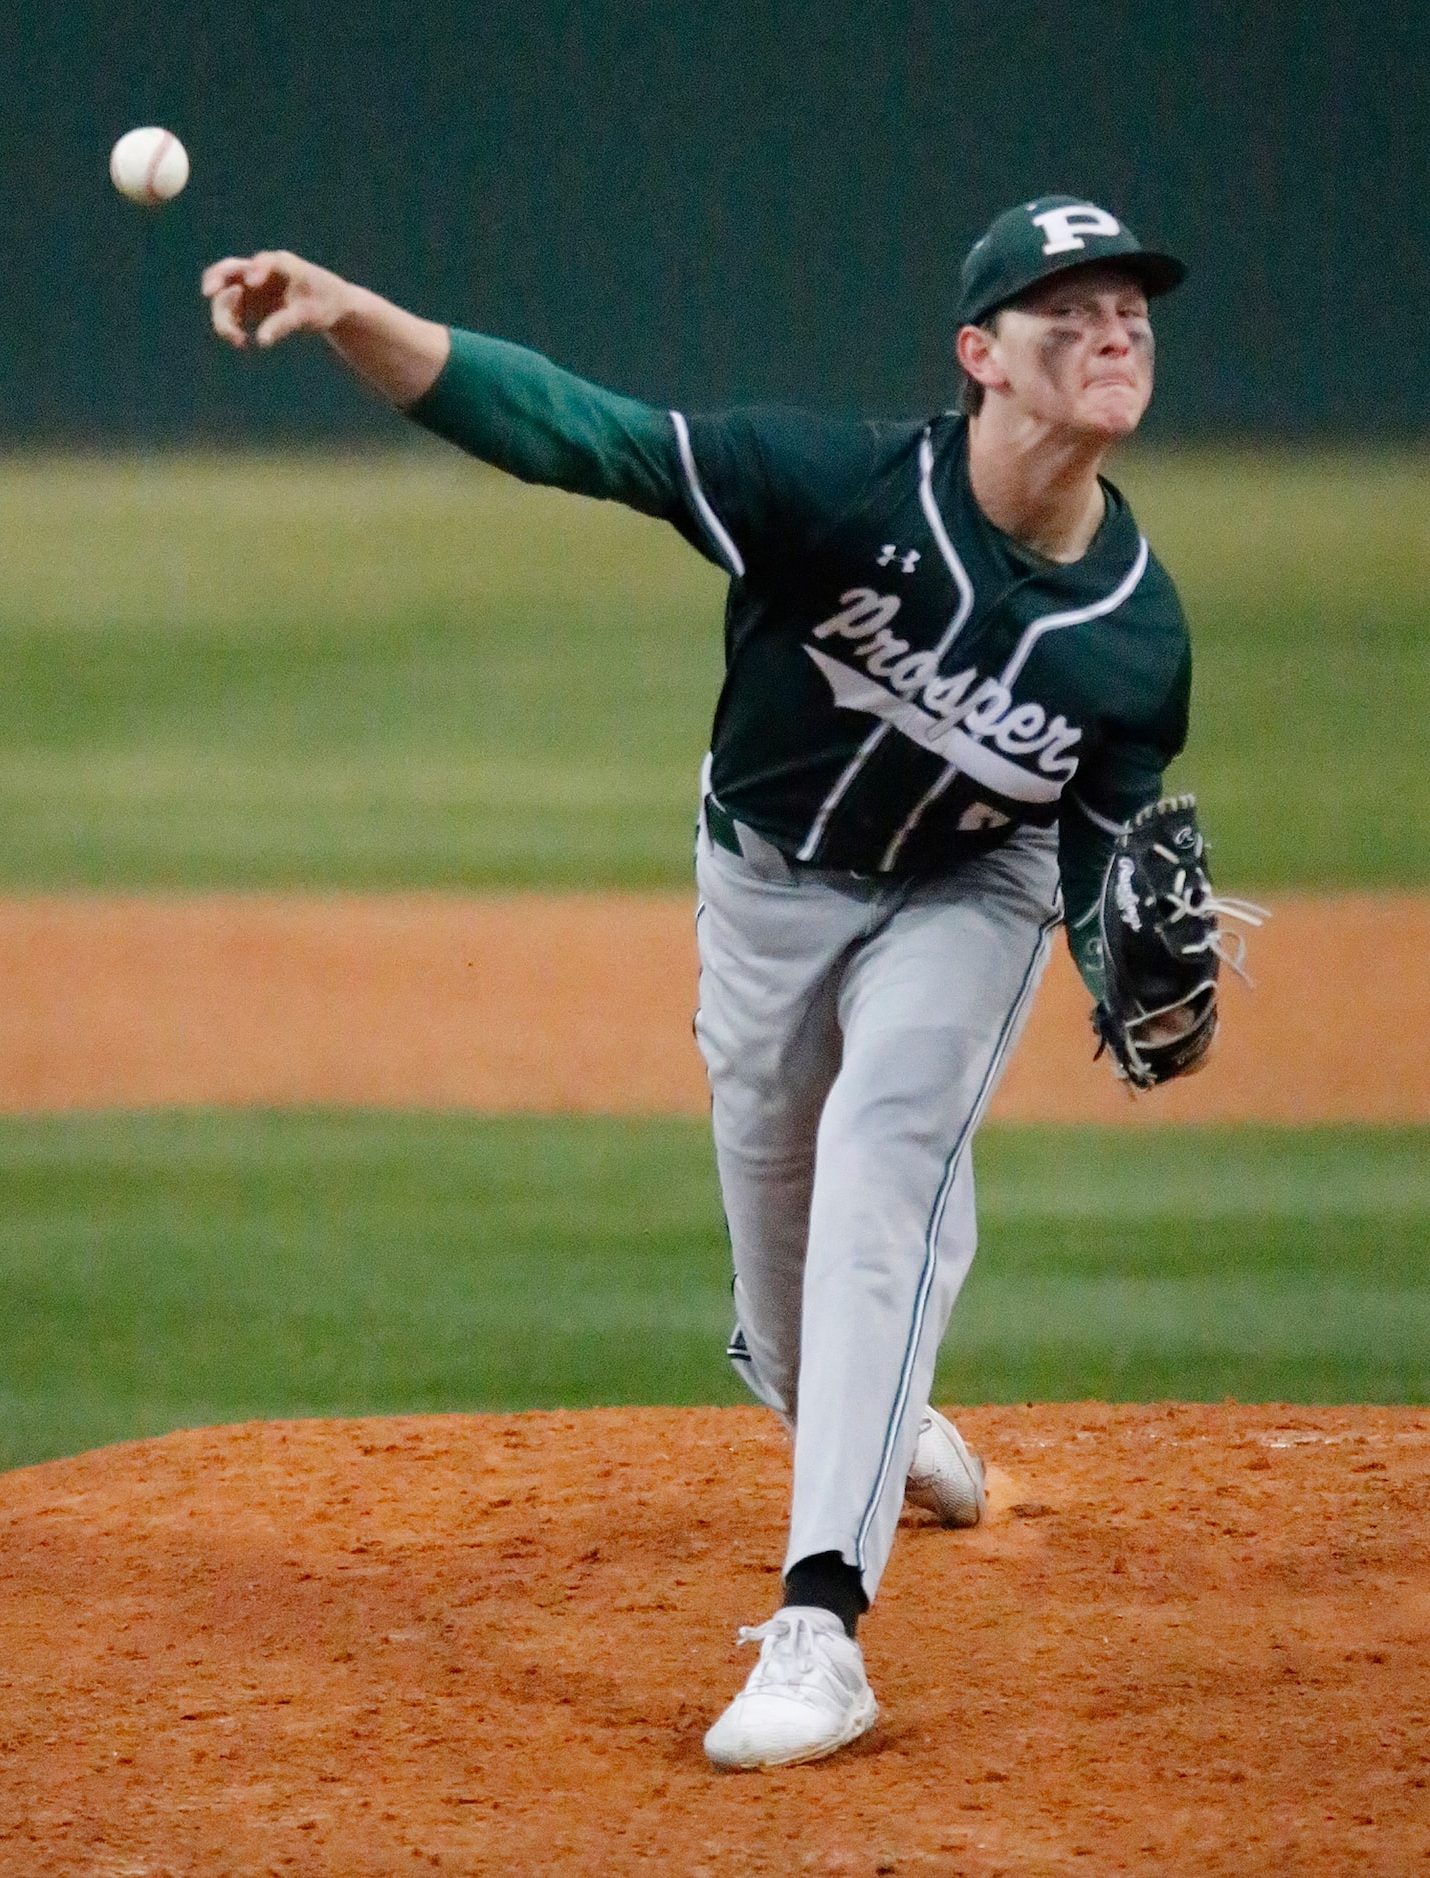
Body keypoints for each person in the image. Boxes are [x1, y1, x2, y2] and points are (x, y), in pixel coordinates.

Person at [202, 195, 1193, 1770]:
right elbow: (571, 430)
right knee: (788, 1313)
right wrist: (346, 310)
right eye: (1066, 308)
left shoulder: (1134, 636)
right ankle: (873, 1424)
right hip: (765, 888)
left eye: (1129, 305)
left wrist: (1130, 970)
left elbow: (1098, 865)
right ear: (978, 357)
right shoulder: (837, 486)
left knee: (888, 1154)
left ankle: (821, 1625)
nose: (1112, 329)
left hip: (965, 897)